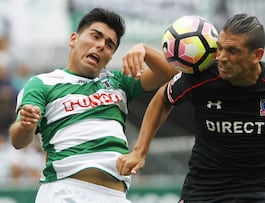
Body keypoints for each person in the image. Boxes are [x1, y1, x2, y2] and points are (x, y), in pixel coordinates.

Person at [116, 13, 265, 202]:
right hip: (202, 193)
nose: (221, 57)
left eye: (232, 51)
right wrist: (140, 150)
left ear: (257, 55)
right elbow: (163, 98)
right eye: (220, 47)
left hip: (256, 194)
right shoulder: (202, 77)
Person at [8, 8, 177, 203]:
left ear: (110, 57)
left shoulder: (119, 81)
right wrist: (26, 126)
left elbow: (173, 72)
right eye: (95, 36)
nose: (100, 46)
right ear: (74, 39)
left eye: (109, 44)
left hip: (116, 196)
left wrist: (145, 49)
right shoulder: (42, 83)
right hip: (66, 192)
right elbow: (18, 141)